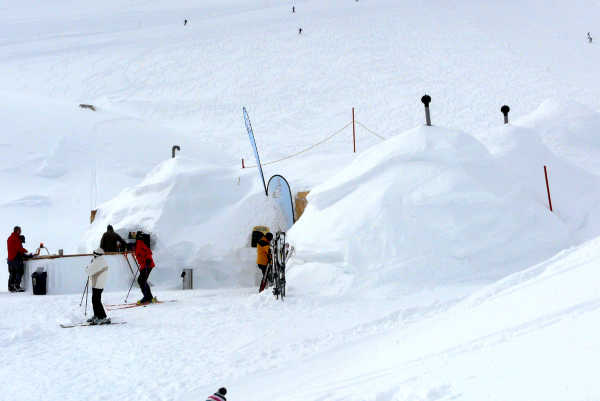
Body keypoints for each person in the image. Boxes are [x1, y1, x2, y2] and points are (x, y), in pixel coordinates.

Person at [85, 248, 110, 325]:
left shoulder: (98, 261)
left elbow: (88, 271)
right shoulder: (100, 260)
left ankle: (102, 317)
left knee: (96, 300)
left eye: (94, 253)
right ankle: (97, 315)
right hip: (98, 283)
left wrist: (87, 267)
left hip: (97, 284)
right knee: (95, 300)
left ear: (96, 254)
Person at [135, 232, 157, 304]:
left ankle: (147, 297)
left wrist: (147, 259)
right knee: (142, 280)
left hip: (147, 264)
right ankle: (148, 297)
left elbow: (148, 252)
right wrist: (141, 261)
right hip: (144, 265)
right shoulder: (139, 243)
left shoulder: (140, 243)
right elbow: (141, 254)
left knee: (142, 280)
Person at [7, 226, 28, 292]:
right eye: (20, 230)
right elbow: (19, 248)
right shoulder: (16, 238)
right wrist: (26, 251)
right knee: (19, 271)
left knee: (12, 273)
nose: (21, 231)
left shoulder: (9, 238)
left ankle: (11, 287)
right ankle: (17, 286)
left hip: (10, 259)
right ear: (18, 231)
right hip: (16, 258)